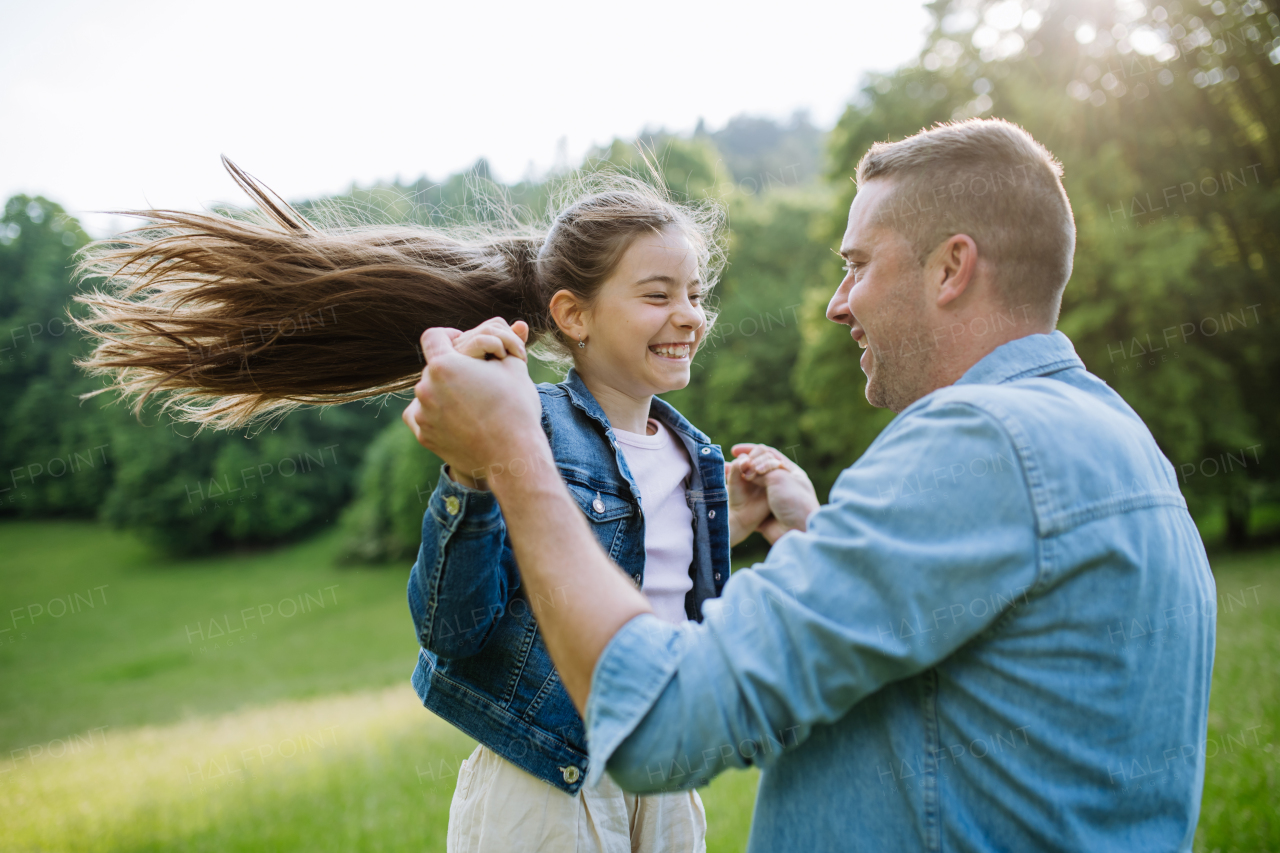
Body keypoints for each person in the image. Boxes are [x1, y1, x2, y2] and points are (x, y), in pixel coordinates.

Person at [401, 118, 1217, 852]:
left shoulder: (985, 442)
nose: (835, 302)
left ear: (951, 268)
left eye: (857, 265)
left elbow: (659, 720)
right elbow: (924, 678)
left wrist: (510, 454)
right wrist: (809, 538)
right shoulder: (1118, 441)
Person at [71, 163, 811, 852]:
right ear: (573, 315)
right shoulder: (527, 425)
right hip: (547, 777)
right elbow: (452, 628)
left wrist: (732, 518)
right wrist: (469, 473)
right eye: (658, 294)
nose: (689, 315)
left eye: (695, 294)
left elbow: (637, 567)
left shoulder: (696, 456)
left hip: (662, 772)